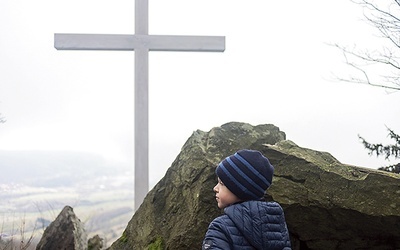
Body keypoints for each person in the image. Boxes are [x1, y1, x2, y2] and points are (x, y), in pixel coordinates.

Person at [202, 149, 292, 250]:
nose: (215, 188)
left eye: (221, 183)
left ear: (240, 189)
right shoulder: (276, 226)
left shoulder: (220, 227)